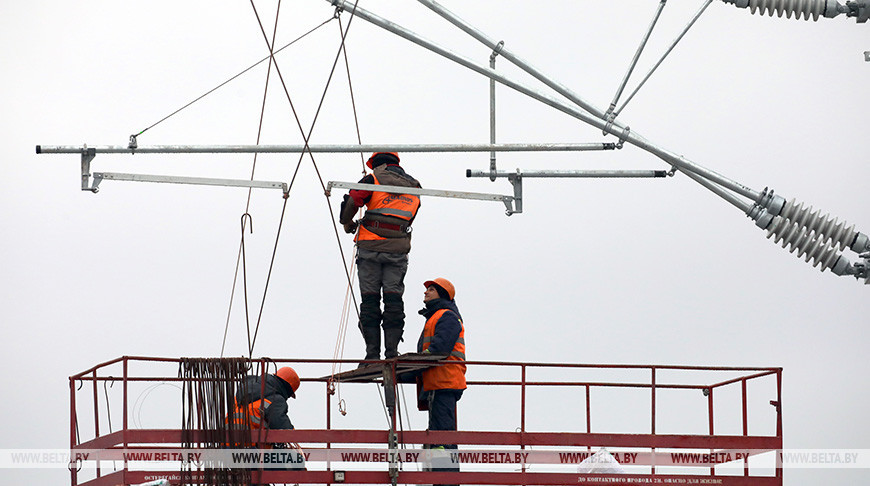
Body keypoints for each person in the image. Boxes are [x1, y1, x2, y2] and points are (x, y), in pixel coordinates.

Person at [339, 152, 422, 363]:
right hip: (398, 251)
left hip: (370, 249)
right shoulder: (414, 186)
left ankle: (372, 354)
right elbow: (409, 214)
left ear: (378, 165)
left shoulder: (372, 180)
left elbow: (353, 200)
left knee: (370, 301)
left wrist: (347, 222)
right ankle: (392, 352)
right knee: (394, 300)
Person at [417, 278, 465, 485]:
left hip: (444, 382)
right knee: (438, 437)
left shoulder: (447, 317)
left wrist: (411, 363)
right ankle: (441, 478)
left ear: (443, 295)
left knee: (443, 437)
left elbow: (439, 349)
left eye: (432, 289)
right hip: (437, 383)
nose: (426, 292)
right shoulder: (435, 317)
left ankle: (446, 479)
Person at [227, 367, 304, 471]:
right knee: (296, 461)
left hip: (226, 451)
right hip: (248, 454)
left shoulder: (243, 392)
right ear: (287, 389)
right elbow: (283, 428)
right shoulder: (275, 399)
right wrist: (295, 439)